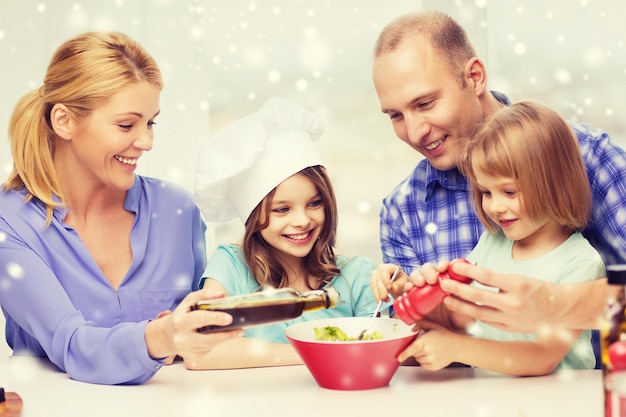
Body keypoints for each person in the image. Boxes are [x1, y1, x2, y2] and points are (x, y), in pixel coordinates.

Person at [0, 32, 242, 385]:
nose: (146, 142)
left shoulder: (177, 211)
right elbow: (71, 344)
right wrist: (162, 335)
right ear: (64, 121)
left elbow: (197, 337)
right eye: (127, 124)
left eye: (150, 122)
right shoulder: (11, 223)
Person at [370, 10, 626, 334]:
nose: (414, 132)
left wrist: (557, 303)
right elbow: (415, 346)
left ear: (475, 77)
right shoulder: (402, 211)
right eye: (395, 115)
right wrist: (410, 302)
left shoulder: (588, 156)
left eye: (425, 104)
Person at [391, 101, 605, 376]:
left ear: (554, 183)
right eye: (486, 192)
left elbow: (544, 357)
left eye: (509, 192)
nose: (494, 207)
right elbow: (461, 319)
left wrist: (457, 348)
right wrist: (425, 295)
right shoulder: (493, 243)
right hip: (493, 399)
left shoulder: (580, 262)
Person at [188, 97, 386, 369]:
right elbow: (199, 351)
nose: (302, 220)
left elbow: (378, 353)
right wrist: (314, 356)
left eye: (314, 203)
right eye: (282, 210)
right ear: (253, 215)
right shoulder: (231, 267)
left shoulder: (356, 276)